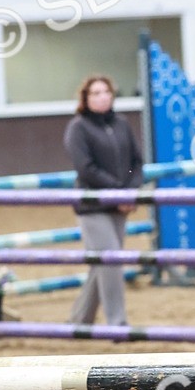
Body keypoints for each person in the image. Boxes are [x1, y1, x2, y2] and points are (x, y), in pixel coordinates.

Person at [64, 75, 143, 327]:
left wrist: (131, 191)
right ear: (85, 99)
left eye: (106, 91)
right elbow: (86, 168)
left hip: (120, 205)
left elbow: (136, 163)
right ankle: (117, 323)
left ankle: (79, 321)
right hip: (92, 207)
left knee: (102, 265)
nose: (102, 96)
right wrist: (119, 192)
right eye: (96, 93)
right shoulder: (78, 128)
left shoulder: (121, 124)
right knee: (111, 262)